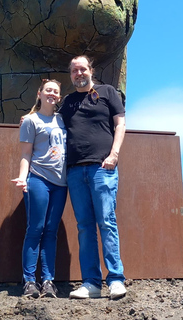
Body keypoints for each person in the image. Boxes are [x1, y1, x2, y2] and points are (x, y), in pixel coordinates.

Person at [60, 55, 127, 300]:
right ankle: (91, 283)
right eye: (74, 70)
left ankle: (116, 279)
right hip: (76, 171)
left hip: (103, 168)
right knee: (85, 227)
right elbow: (51, 123)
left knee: (106, 222)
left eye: (82, 69)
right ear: (71, 75)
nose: (79, 73)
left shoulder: (108, 92)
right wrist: (31, 116)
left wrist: (114, 154)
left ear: (91, 70)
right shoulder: (67, 103)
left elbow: (120, 124)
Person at [11, 79, 68, 298]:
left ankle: (48, 281)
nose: (52, 94)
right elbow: (26, 154)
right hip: (38, 179)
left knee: (51, 232)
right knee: (35, 229)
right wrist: (23, 178)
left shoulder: (63, 120)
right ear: (40, 93)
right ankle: (29, 282)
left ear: (59, 97)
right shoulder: (30, 121)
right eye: (48, 90)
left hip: (61, 184)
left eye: (56, 91)